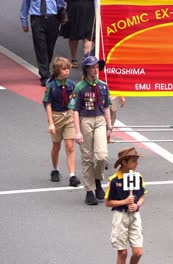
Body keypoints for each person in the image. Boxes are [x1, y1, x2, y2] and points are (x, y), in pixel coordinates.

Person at [68, 55, 111, 205]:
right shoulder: (79, 87)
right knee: (87, 157)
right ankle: (89, 190)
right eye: (92, 67)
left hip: (100, 120)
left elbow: (106, 107)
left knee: (101, 156)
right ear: (86, 69)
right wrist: (77, 131)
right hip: (85, 120)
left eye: (97, 67)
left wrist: (109, 127)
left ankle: (98, 181)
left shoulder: (103, 86)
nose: (95, 69)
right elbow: (74, 110)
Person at [42, 57, 81, 187]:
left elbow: (75, 98)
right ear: (58, 71)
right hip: (56, 116)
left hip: (68, 115)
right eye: (64, 69)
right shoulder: (51, 86)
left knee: (70, 146)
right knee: (56, 146)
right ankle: (55, 169)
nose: (67, 71)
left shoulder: (71, 84)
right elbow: (48, 104)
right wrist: (51, 123)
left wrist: (73, 104)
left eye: (68, 69)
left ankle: (72, 175)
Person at [105, 147, 146, 264]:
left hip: (134, 216)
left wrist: (137, 205)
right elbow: (107, 203)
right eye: (134, 161)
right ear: (124, 162)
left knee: (138, 252)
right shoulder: (113, 180)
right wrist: (125, 201)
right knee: (122, 253)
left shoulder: (138, 177)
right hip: (120, 217)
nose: (136, 164)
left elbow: (142, 197)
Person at [20, 0, 65, 86]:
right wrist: (24, 21)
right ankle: (45, 76)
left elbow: (60, 3)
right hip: (37, 19)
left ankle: (45, 68)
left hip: (53, 19)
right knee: (40, 47)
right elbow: (25, 4)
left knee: (50, 48)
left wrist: (61, 15)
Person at [60, 0, 95, 68]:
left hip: (75, 7)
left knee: (74, 35)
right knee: (88, 36)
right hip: (89, 7)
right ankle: (87, 61)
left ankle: (74, 59)